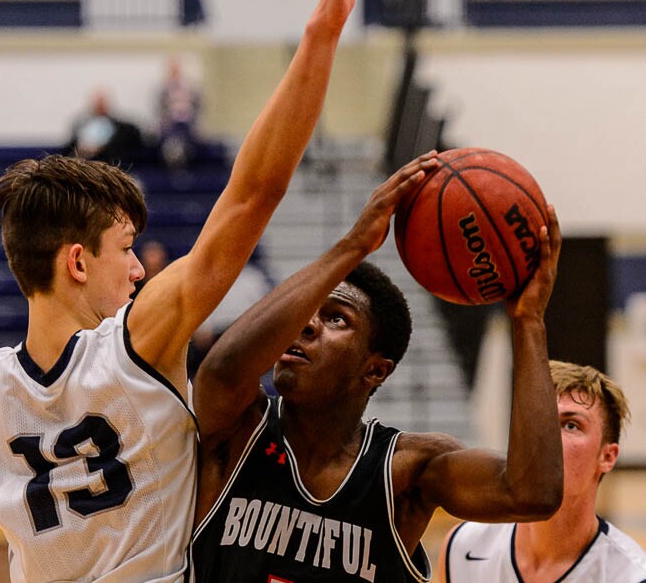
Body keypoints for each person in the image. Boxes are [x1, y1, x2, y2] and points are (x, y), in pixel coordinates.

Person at [0, 0, 367, 582]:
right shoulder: (138, 342)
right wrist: (321, 37)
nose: (140, 270)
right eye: (125, 252)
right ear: (77, 262)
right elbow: (253, 194)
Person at [190, 151, 564, 582]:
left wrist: (528, 321)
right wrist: (353, 245)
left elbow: (532, 494)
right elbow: (220, 371)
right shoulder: (240, 430)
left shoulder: (406, 470)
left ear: (376, 370)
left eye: (336, 319)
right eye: (308, 311)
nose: (306, 325)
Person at [437, 360, 646, 583]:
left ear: (607, 457)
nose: (547, 436)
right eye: (539, 420)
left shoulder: (631, 576)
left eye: (571, 425)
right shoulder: (462, 547)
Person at [66, 88, 144, 166]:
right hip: (82, 163)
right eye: (97, 104)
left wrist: (101, 148)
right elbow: (72, 145)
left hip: (107, 164)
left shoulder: (122, 128)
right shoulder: (82, 125)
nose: (100, 107)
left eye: (102, 104)